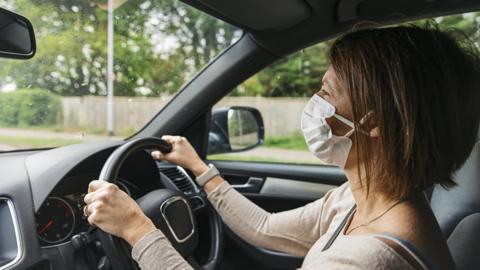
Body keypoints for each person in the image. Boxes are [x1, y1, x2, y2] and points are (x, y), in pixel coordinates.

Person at [83, 24, 480, 270]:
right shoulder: (361, 200)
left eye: (327, 92)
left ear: (373, 123)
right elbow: (265, 228)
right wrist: (201, 169)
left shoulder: (368, 261)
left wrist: (136, 228)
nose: (314, 102)